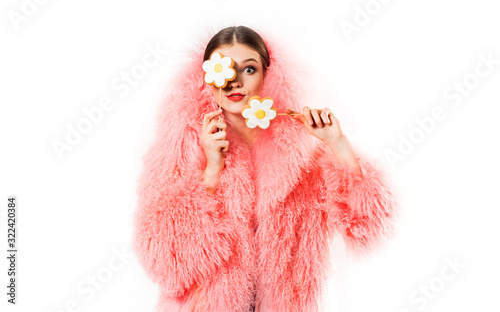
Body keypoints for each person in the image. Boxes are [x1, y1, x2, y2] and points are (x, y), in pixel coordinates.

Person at [132, 26, 399, 312]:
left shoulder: (304, 150)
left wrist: (339, 144)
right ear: (205, 78)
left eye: (248, 69)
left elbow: (369, 227)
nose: (234, 81)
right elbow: (163, 259)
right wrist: (211, 170)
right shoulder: (181, 148)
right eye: (223, 69)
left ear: (267, 75)